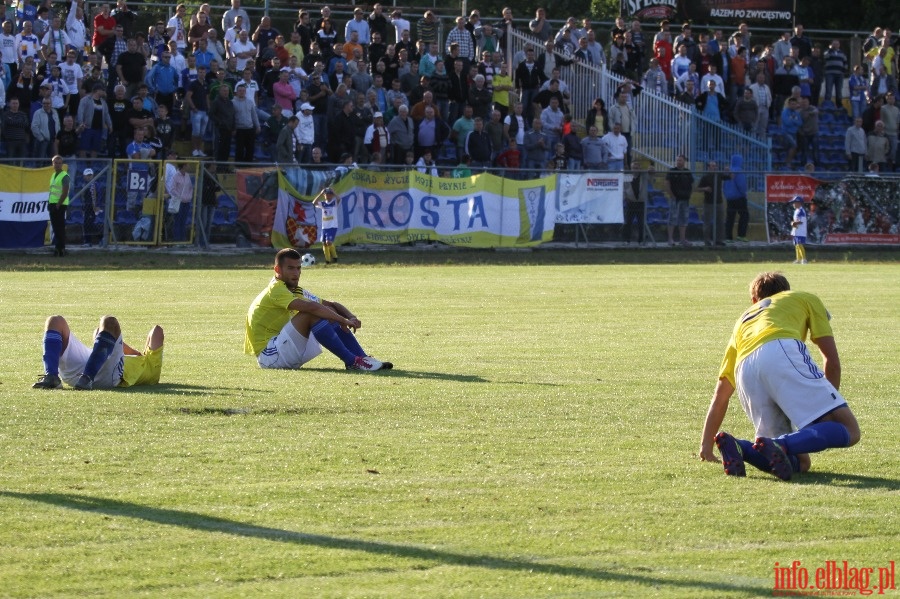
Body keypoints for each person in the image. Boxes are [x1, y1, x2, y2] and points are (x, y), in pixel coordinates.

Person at [699, 272, 860, 480]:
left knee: (801, 462)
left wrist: (705, 445)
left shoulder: (742, 321)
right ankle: (780, 443)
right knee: (848, 428)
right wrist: (823, 409)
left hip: (745, 371)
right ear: (787, 291)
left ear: (754, 301)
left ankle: (741, 447)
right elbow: (831, 360)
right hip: (781, 350)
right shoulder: (802, 298)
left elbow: (720, 396)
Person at [245, 248, 391, 372]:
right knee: (312, 313)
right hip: (269, 356)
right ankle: (352, 362)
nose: (296, 273)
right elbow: (311, 308)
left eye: (298, 268)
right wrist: (342, 320)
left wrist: (350, 316)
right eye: (290, 268)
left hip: (282, 348)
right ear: (277, 269)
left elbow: (330, 304)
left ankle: (363, 358)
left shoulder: (293, 290)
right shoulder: (276, 289)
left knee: (325, 310)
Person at [32, 315, 164, 391]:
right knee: (55, 321)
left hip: (107, 375)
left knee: (109, 321)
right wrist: (136, 353)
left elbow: (157, 330)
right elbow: (99, 335)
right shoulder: (142, 362)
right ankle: (52, 377)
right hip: (86, 367)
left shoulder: (152, 366)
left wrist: (137, 352)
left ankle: (87, 378)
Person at [665, 154, 693, 247]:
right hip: (675, 199)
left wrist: (689, 194)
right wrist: (672, 195)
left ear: (684, 161)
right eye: (677, 160)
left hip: (685, 199)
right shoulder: (672, 171)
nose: (678, 162)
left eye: (680, 160)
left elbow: (691, 184)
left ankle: (682, 239)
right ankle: (670, 239)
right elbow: (667, 183)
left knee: (684, 219)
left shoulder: (687, 172)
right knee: (672, 218)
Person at [47, 155, 70, 257]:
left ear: (62, 164)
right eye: (55, 163)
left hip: (59, 205)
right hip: (53, 204)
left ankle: (61, 249)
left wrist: (58, 204)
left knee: (60, 228)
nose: (57, 165)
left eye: (59, 163)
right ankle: (57, 248)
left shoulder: (64, 176)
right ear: (53, 164)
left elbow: (65, 193)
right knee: (56, 228)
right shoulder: (53, 175)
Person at [723, 154, 749, 242]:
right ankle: (741, 235)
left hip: (729, 198)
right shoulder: (739, 171)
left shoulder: (728, 171)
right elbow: (741, 184)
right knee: (744, 215)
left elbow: (724, 184)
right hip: (739, 197)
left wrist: (726, 194)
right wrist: (744, 193)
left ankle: (728, 237)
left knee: (730, 217)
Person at [312, 186, 340, 264]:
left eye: (330, 194)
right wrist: (320, 194)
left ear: (332, 195)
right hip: (325, 226)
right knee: (324, 243)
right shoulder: (323, 204)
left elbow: (339, 199)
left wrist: (333, 192)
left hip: (332, 226)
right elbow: (314, 203)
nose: (328, 196)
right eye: (326, 194)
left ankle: (335, 257)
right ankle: (327, 260)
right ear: (324, 195)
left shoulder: (334, 203)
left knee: (329, 242)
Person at [790, 196, 808, 264]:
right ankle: (798, 259)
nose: (793, 204)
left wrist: (793, 223)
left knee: (800, 245)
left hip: (800, 231)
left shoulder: (801, 211)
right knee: (797, 245)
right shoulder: (796, 211)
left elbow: (801, 221)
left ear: (799, 203)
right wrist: (794, 224)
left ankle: (804, 259)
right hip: (796, 231)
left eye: (794, 203)